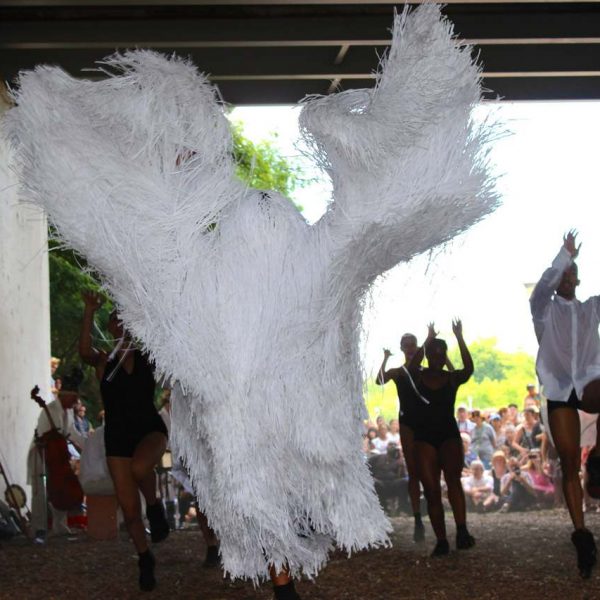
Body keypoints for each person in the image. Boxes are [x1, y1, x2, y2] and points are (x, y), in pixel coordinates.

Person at [79, 291, 169, 591]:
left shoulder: (148, 357)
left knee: (141, 469)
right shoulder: (105, 361)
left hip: (149, 429)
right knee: (129, 510)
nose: (118, 323)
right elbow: (84, 351)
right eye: (113, 320)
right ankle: (145, 558)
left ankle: (155, 506)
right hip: (117, 436)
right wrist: (90, 310)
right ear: (112, 328)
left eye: (123, 318)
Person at [530, 230, 600, 578]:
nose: (568, 280)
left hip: (589, 381)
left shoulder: (591, 308)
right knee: (569, 462)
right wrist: (563, 255)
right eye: (563, 275)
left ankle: (599, 455)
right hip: (559, 389)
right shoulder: (544, 310)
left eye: (573, 275)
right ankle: (582, 534)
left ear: (579, 280)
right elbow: (541, 289)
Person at [407, 320, 475, 557]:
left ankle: (462, 529)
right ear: (427, 356)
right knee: (432, 490)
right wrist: (426, 340)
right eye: (433, 354)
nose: (437, 357)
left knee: (453, 481)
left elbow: (468, 368)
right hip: (424, 437)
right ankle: (441, 540)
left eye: (441, 354)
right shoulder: (417, 375)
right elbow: (411, 367)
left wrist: (460, 337)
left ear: (445, 355)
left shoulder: (451, 378)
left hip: (448, 435)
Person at [377, 333, 425, 542]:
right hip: (407, 423)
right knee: (414, 472)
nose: (410, 348)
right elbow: (379, 380)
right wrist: (386, 358)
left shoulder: (425, 371)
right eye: (406, 345)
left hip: (426, 423)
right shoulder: (399, 372)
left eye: (413, 344)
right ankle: (417, 518)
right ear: (402, 348)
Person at [28, 368, 86, 541]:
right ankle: (38, 528)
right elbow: (44, 437)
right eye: (74, 397)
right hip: (42, 453)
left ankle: (60, 525)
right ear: (65, 395)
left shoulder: (68, 412)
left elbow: (73, 434)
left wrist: (88, 446)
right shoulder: (50, 410)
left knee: (61, 487)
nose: (76, 401)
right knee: (40, 492)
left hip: (57, 456)